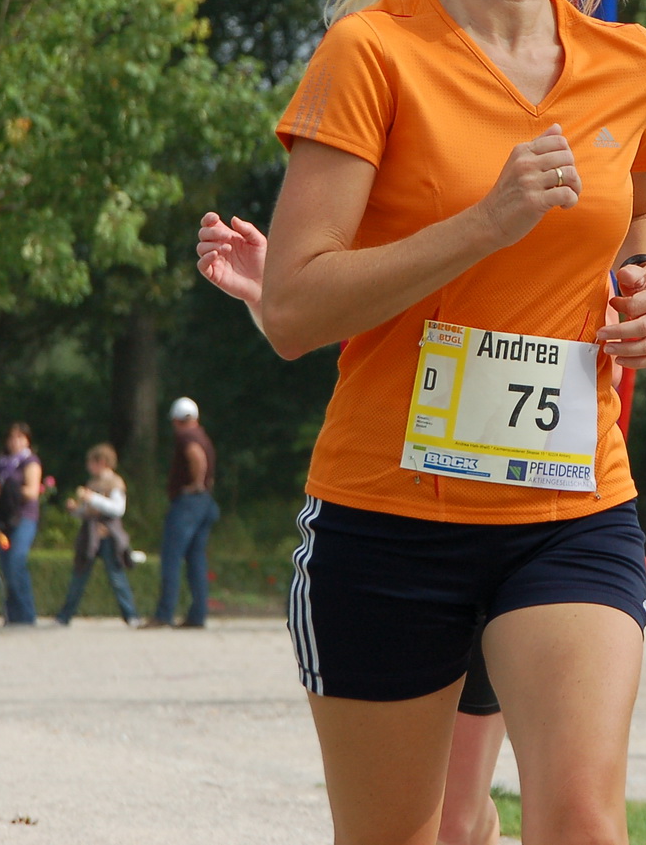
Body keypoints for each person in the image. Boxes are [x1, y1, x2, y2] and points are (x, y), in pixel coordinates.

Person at [260, 0, 646, 845]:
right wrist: (483, 223)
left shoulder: (631, 63)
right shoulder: (371, 55)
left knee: (585, 822)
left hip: (571, 507)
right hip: (388, 517)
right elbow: (293, 309)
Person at [198, 213, 507, 845]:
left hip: (522, 538)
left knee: (458, 818)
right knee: (438, 821)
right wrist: (269, 296)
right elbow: (344, 347)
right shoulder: (398, 244)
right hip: (397, 538)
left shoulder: (539, 226)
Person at [142, 397, 219, 629]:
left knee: (172, 557)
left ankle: (164, 614)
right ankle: (198, 615)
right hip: (205, 502)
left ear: (176, 420)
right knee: (196, 560)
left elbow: (196, 456)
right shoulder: (203, 436)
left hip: (188, 503)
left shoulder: (186, 437)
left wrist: (195, 483)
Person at [55, 442, 140, 627]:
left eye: (91, 462)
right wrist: (75, 510)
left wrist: (93, 498)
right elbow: (88, 510)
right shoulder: (92, 483)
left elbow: (118, 509)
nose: (88, 466)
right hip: (90, 533)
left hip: (108, 534)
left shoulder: (115, 483)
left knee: (116, 577)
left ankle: (131, 615)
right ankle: (64, 616)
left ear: (101, 462)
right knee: (79, 575)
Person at [0, 422, 44, 626]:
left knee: (17, 560)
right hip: (3, 520)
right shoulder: (2, 463)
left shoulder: (30, 462)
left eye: (19, 437)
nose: (15, 442)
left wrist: (8, 490)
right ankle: (13, 614)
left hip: (23, 517)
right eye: (11, 438)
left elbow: (32, 492)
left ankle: (27, 615)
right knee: (6, 563)